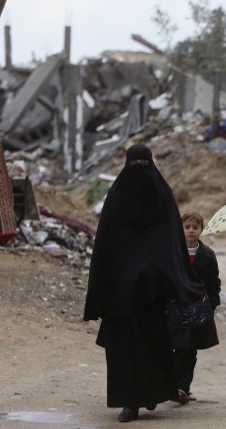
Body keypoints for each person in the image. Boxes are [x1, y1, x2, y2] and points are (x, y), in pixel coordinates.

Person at [83, 144, 206, 423]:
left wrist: (172, 279)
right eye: (134, 164)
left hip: (152, 290)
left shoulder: (162, 198)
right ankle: (130, 402)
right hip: (120, 292)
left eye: (143, 164)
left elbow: (172, 244)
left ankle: (151, 394)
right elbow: (105, 247)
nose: (139, 171)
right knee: (125, 347)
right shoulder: (117, 198)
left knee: (153, 343)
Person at [169, 212, 221, 405]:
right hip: (176, 308)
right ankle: (176, 386)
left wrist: (211, 305)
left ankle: (183, 387)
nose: (191, 231)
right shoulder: (173, 252)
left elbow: (214, 283)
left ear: (201, 230)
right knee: (179, 349)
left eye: (195, 227)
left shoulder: (207, 255)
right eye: (187, 227)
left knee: (190, 351)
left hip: (198, 310)